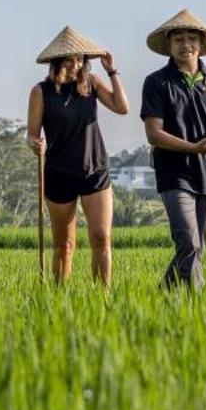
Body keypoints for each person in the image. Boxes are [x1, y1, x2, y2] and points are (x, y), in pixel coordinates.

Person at [139, 8, 206, 288]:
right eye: (179, 39)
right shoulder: (157, 82)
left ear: (201, 44)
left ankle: (164, 293)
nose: (186, 45)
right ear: (170, 46)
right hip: (173, 172)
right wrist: (192, 148)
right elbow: (154, 134)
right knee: (188, 241)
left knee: (197, 249)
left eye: (191, 38)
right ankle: (200, 301)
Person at [27, 26, 129, 284]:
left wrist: (112, 71)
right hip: (59, 173)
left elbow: (122, 107)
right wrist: (35, 144)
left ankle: (102, 299)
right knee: (64, 244)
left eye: (82, 58)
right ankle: (60, 299)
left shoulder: (91, 84)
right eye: (72, 58)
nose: (77, 63)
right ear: (57, 60)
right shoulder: (41, 92)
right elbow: (32, 134)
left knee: (101, 238)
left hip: (95, 170)